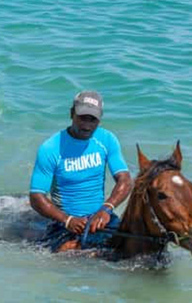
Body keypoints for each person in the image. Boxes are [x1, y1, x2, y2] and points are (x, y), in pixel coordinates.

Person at [29, 91, 132, 252]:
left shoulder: (107, 140)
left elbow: (125, 180)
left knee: (130, 247)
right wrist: (68, 220)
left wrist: (106, 209)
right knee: (69, 253)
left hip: (101, 217)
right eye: (82, 117)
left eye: (93, 119)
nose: (87, 125)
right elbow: (36, 196)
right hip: (64, 222)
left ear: (100, 118)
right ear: (72, 114)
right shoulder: (50, 148)